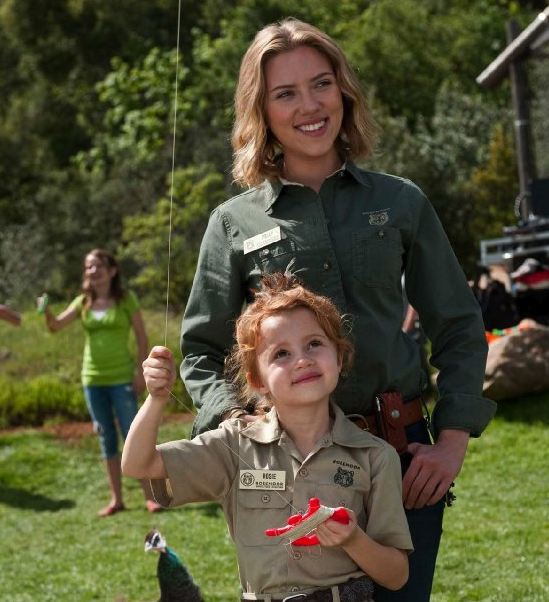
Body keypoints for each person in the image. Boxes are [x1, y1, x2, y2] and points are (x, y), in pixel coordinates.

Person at [180, 18, 497, 601]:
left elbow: (458, 325)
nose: (310, 105)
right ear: (261, 111)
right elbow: (201, 350)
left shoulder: (400, 201)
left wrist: (452, 441)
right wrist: (235, 425)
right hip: (289, 470)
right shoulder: (232, 223)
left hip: (402, 461)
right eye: (285, 93)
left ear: (344, 91)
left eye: (321, 84)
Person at [122, 274, 413, 601]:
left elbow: (397, 575)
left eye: (314, 344)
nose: (302, 360)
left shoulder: (375, 456)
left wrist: (352, 539)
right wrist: (156, 399)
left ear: (339, 357)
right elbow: (138, 464)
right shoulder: (233, 445)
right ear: (257, 381)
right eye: (281, 354)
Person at [37, 248, 162, 516]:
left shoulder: (126, 299)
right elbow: (55, 326)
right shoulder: (82, 302)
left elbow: (141, 337)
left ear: (112, 270)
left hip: (121, 379)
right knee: (106, 438)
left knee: (134, 435)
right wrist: (46, 310)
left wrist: (140, 373)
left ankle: (150, 497)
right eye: (88, 267)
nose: (92, 271)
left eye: (97, 266)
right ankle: (116, 499)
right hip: (92, 380)